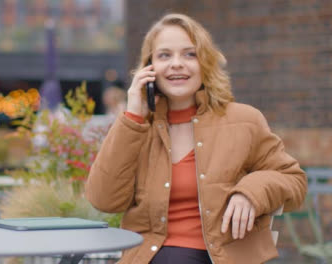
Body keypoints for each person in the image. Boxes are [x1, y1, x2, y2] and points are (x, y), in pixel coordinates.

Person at [85, 13, 307, 264]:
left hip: (220, 256)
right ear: (149, 69)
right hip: (148, 256)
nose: (177, 63)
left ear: (205, 63)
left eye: (189, 54)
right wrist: (133, 117)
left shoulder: (245, 120)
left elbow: (293, 180)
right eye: (164, 55)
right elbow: (103, 199)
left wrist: (250, 192)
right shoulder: (136, 129)